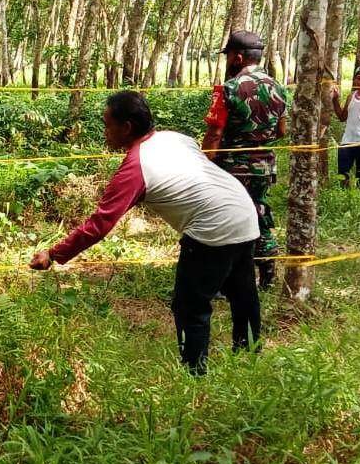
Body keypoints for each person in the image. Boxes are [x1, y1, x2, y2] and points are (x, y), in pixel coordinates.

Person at [30, 91, 260, 375]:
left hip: (212, 225)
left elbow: (99, 224)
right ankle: (249, 357)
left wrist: (53, 253)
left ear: (126, 127)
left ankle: (195, 376)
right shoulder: (175, 137)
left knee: (191, 304)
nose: (105, 132)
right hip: (244, 210)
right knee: (242, 292)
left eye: (107, 124)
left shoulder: (135, 168)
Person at [201, 31, 287, 290]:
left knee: (228, 219)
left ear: (238, 57)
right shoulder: (278, 87)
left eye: (228, 56)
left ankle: (224, 281)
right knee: (258, 212)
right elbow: (282, 131)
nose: (227, 61)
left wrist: (203, 165)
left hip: (233, 168)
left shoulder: (228, 89)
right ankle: (268, 271)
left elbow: (215, 133)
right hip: (265, 166)